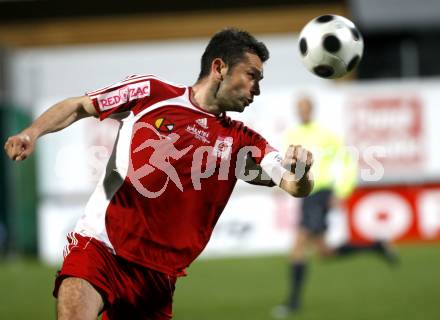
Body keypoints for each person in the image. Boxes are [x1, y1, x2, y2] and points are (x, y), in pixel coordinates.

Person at [4, 28, 314, 320]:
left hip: (157, 279)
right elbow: (79, 106)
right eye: (252, 76)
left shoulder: (242, 141)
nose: (256, 89)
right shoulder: (152, 92)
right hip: (102, 246)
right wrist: (32, 133)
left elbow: (292, 184)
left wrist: (300, 171)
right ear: (219, 67)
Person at [272, 95, 398, 319]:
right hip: (306, 196)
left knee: (298, 248)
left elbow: (346, 161)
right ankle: (376, 247)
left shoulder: (326, 135)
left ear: (312, 109)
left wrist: (342, 190)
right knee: (324, 252)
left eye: (305, 107)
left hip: (320, 194)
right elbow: (287, 165)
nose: (302, 112)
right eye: (299, 108)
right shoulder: (292, 136)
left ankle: (292, 303)